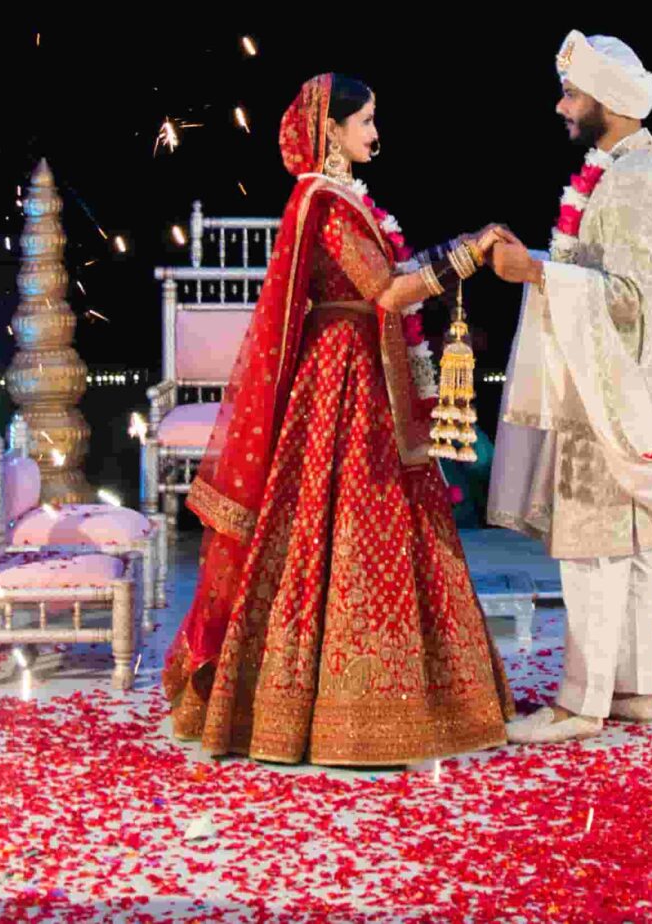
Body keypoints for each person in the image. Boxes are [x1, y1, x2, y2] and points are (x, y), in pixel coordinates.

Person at [163, 73, 514, 765]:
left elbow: (397, 276)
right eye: (367, 121)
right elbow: (386, 290)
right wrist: (470, 253)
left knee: (377, 528)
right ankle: (325, 710)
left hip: (368, 372)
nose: (375, 134)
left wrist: (459, 248)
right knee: (348, 525)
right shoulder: (322, 202)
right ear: (332, 128)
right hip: (340, 387)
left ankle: (405, 697)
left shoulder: (350, 201)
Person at [486, 32, 652, 744]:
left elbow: (629, 300)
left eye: (572, 94)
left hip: (617, 390)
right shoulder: (618, 168)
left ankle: (580, 703)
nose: (563, 106)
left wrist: (536, 274)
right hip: (613, 378)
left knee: (591, 538)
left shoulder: (639, 180)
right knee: (628, 540)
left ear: (608, 102)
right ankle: (632, 687)